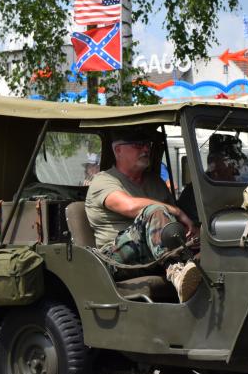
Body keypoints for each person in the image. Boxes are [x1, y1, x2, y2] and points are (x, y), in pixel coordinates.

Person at [85, 128, 201, 302]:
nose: (146, 150)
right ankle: (176, 271)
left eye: (147, 145)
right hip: (116, 259)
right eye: (138, 145)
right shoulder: (103, 180)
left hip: (154, 255)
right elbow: (130, 206)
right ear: (118, 150)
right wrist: (175, 211)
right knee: (154, 210)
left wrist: (194, 231)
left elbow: (173, 223)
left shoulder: (155, 182)